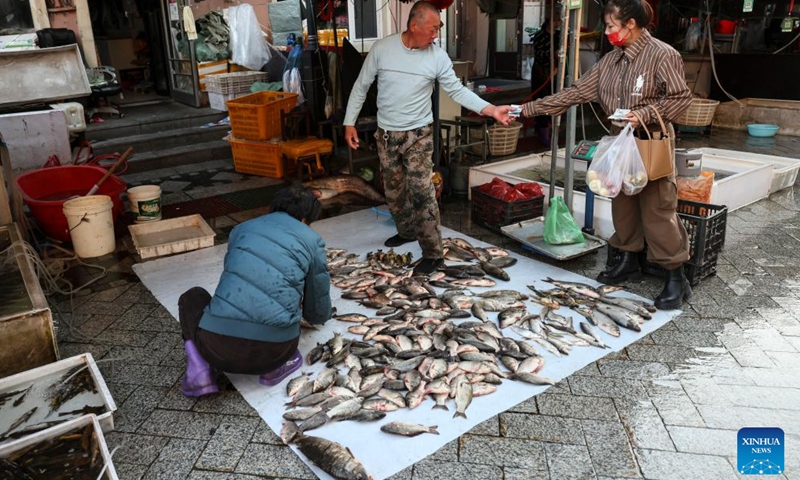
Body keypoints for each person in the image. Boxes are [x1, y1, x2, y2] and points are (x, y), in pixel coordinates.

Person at [519, 0, 692, 310]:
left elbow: (681, 98)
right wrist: (526, 109)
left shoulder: (663, 55)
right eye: (608, 27)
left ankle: (676, 277)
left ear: (631, 24)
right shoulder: (609, 61)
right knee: (622, 202)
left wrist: (646, 113)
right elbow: (574, 93)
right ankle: (628, 260)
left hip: (650, 142)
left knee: (657, 208)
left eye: (612, 26)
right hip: (618, 143)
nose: (608, 32)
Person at [343, 0, 515, 276]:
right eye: (433, 29)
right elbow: (361, 86)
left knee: (422, 192)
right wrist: (349, 122)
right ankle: (407, 231)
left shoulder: (436, 57)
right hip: (386, 134)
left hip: (418, 134)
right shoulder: (382, 49)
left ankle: (433, 254)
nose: (436, 35)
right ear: (414, 26)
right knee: (394, 191)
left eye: (439, 29)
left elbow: (457, 92)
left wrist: (491, 109)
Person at [178, 183, 332, 397]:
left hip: (217, 348)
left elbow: (236, 276)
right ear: (306, 219)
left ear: (275, 207)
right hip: (276, 352)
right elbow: (316, 308)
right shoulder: (312, 240)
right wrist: (318, 316)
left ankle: (201, 370)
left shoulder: (241, 229)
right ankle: (274, 370)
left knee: (192, 297)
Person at [529, 16, 561, 147]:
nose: (557, 23)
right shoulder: (540, 36)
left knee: (556, 99)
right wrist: (552, 54)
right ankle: (542, 130)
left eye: (558, 20)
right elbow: (539, 54)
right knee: (542, 99)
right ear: (548, 22)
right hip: (542, 71)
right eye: (554, 20)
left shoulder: (560, 35)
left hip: (557, 71)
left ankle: (551, 128)